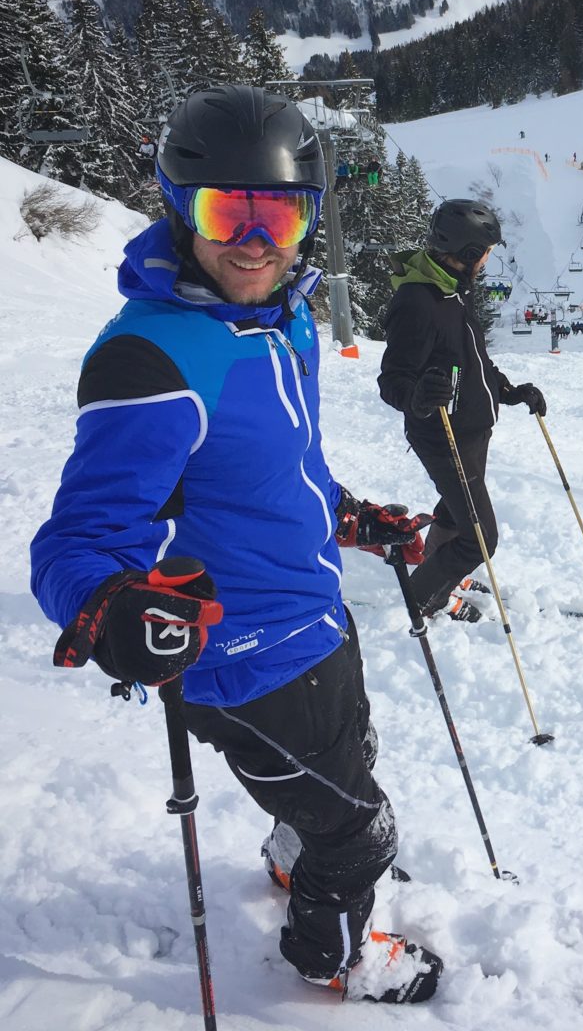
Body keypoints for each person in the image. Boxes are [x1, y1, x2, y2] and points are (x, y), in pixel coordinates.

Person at [29, 85, 441, 1005]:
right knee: (358, 832)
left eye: (281, 215)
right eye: (226, 211)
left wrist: (352, 519)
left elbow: (276, 473)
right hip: (241, 657)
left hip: (315, 619)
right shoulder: (154, 359)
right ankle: (333, 960)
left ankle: (298, 857)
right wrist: (107, 607)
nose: (254, 242)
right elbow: (76, 541)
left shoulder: (281, 319)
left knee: (350, 760)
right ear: (180, 209)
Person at [378, 199, 546, 623]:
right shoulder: (418, 301)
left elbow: (473, 360)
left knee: (457, 511)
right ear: (470, 254)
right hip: (441, 435)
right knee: (480, 539)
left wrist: (508, 391)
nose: (488, 261)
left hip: (472, 430)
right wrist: (417, 395)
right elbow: (392, 381)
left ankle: (441, 571)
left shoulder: (455, 289)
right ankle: (422, 598)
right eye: (486, 252)